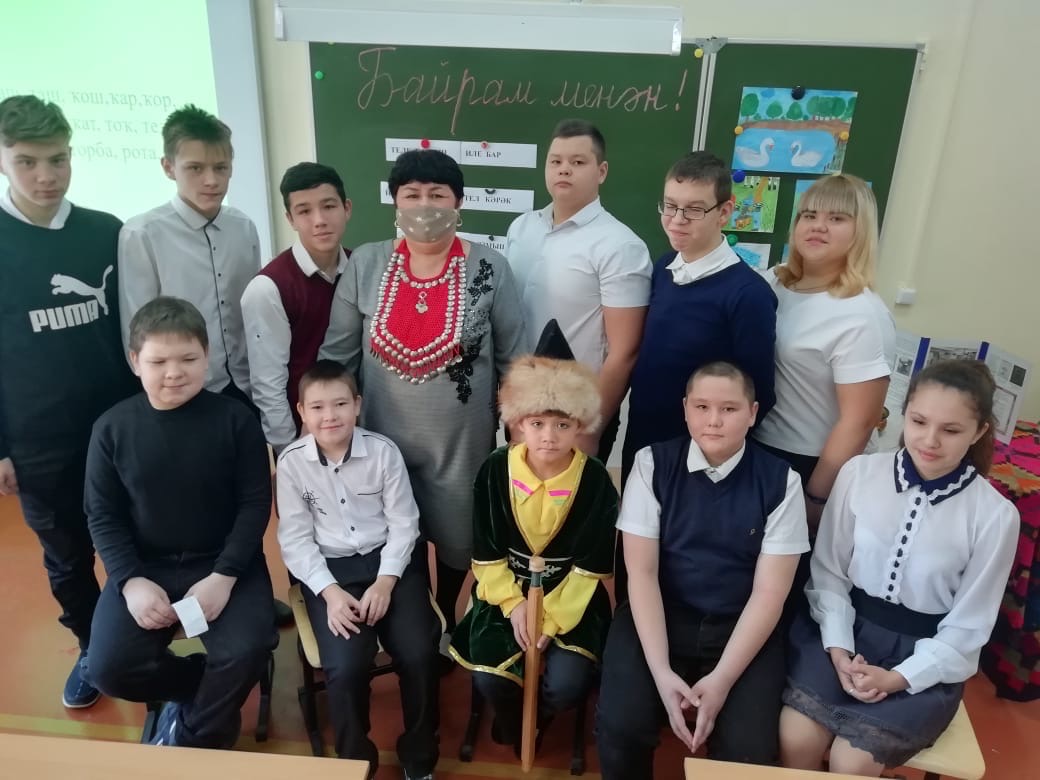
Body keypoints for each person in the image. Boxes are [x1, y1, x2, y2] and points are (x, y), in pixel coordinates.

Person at [321, 149, 525, 660]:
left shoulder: (490, 267)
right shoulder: (367, 263)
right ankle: (413, 624)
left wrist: (519, 432)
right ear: (395, 202)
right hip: (378, 445)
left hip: (461, 448)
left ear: (459, 203)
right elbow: (338, 357)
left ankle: (446, 613)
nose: (424, 205)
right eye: (411, 194)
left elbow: (515, 361)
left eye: (437, 194)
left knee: (459, 540)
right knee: (392, 540)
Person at [779, 359, 1018, 776]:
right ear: (903, 413)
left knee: (850, 761)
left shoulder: (995, 516)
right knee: (796, 739)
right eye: (919, 421)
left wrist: (899, 678)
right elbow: (829, 572)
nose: (930, 440)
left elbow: (969, 626)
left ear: (980, 432)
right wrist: (839, 646)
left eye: (951, 430)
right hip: (841, 631)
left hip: (923, 655)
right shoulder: (859, 473)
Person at [596, 362, 809, 778]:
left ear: (752, 413)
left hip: (740, 623)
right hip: (660, 612)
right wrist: (661, 673)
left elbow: (770, 595)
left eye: (729, 409)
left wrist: (723, 679)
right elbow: (641, 575)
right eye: (702, 407)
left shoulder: (782, 481)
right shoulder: (651, 464)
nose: (714, 420)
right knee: (621, 726)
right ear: (685, 409)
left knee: (748, 751)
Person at [84, 297, 277, 749]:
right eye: (158, 362)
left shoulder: (236, 420)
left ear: (207, 356)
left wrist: (224, 576)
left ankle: (191, 738)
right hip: (145, 566)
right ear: (135, 361)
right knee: (108, 669)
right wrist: (130, 581)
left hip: (225, 563)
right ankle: (200, 686)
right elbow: (102, 515)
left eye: (188, 359)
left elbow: (255, 504)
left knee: (248, 648)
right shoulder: (111, 429)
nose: (174, 372)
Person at [0, 95, 135, 709]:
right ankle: (91, 647)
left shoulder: (107, 231)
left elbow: (132, 329)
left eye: (57, 159)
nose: (46, 176)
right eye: (27, 162)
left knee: (137, 537)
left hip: (116, 429)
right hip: (37, 440)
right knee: (68, 557)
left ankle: (144, 638)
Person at [277, 359, 438, 780]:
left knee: (420, 653)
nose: (329, 416)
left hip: (391, 563)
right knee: (346, 666)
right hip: (331, 572)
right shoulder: (291, 464)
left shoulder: (383, 452)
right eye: (317, 407)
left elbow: (405, 524)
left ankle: (420, 756)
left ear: (357, 405)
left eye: (340, 404)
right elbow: (295, 541)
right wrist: (330, 593)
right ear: (302, 411)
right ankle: (356, 760)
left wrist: (385, 583)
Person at [449, 355, 618, 752]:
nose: (549, 437)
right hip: (505, 594)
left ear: (580, 425)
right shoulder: (495, 470)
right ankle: (513, 718)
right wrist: (514, 606)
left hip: (570, 600)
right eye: (538, 423)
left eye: (563, 425)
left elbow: (590, 565)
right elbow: (487, 552)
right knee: (490, 677)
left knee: (568, 685)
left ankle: (540, 714)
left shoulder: (595, 480)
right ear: (519, 423)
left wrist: (550, 620)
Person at [753, 174, 895, 536]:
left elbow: (859, 421)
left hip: (813, 463)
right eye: (809, 215)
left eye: (837, 218)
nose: (818, 226)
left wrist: (816, 496)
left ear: (860, 231)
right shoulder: (774, 282)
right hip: (758, 448)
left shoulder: (861, 314)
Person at [622, 151, 777, 481]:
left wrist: (714, 457)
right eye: (670, 206)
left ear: (725, 212)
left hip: (700, 460)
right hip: (643, 442)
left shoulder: (749, 294)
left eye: (694, 209)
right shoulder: (664, 268)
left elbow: (759, 391)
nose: (677, 220)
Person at [505, 119, 651, 461]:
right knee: (518, 494)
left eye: (578, 161)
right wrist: (513, 412)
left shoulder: (620, 245)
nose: (564, 169)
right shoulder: (521, 228)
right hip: (522, 410)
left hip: (576, 417)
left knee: (573, 498)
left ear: (601, 171)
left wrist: (589, 428)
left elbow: (625, 351)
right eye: (555, 161)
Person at [118, 103, 261, 410]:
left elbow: (252, 314)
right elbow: (138, 330)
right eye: (195, 168)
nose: (211, 180)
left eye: (221, 167)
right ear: (168, 167)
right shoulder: (142, 234)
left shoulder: (244, 228)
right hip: (178, 393)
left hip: (244, 387)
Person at [242, 162, 352, 454]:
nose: (319, 220)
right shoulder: (268, 288)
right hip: (303, 437)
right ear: (290, 219)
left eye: (329, 206)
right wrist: (291, 451)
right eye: (304, 211)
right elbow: (268, 384)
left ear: (347, 209)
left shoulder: (361, 269)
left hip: (356, 429)